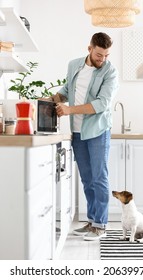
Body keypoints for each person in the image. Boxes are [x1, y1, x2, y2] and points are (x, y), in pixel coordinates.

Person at [51, 32, 119, 241]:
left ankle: (101, 225)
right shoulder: (74, 65)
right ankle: (91, 222)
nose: (103, 59)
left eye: (106, 55)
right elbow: (66, 90)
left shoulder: (110, 72)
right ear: (89, 49)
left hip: (98, 130)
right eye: (99, 55)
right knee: (87, 179)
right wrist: (48, 100)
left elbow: (102, 104)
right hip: (78, 132)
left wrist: (69, 109)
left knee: (99, 177)